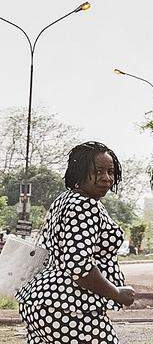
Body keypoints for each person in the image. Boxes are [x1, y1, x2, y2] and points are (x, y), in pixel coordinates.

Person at [17, 142, 135, 343]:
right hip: (68, 305)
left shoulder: (66, 200)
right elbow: (79, 266)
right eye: (98, 172)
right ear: (79, 173)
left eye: (110, 171)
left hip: (42, 301)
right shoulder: (84, 206)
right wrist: (116, 293)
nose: (106, 178)